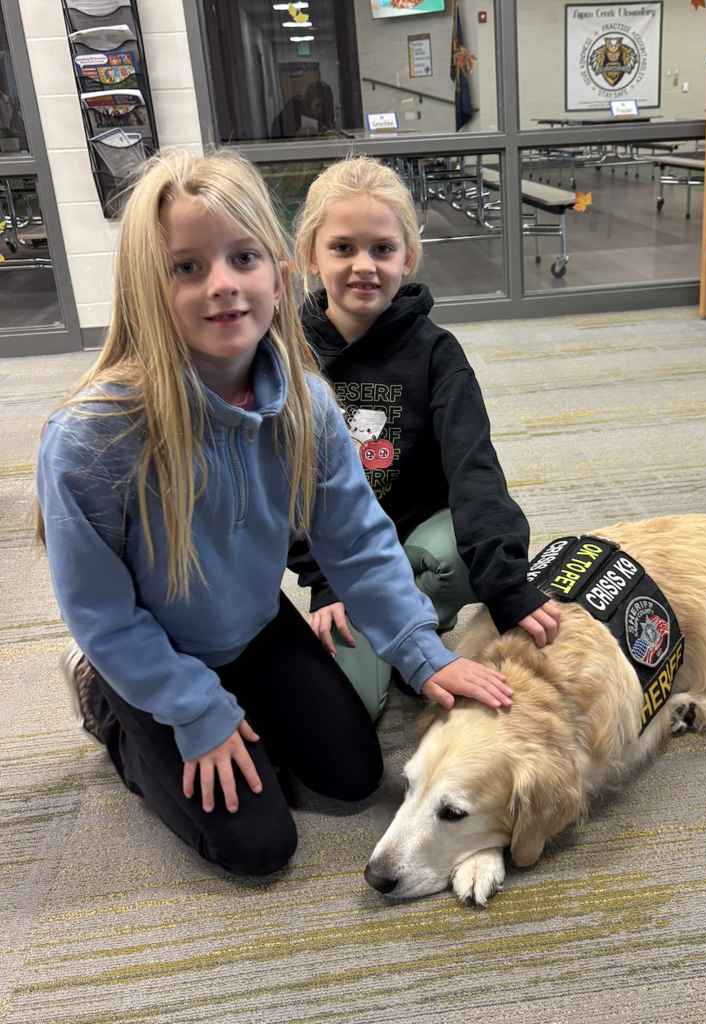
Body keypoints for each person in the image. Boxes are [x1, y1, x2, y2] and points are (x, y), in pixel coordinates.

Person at [35, 150, 512, 877]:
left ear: (279, 276)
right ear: (143, 288)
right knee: (258, 846)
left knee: (352, 780)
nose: (223, 285)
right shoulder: (90, 437)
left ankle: (228, 702)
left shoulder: (307, 403)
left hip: (254, 626)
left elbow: (356, 543)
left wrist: (423, 651)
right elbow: (99, 612)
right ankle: (107, 706)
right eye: (186, 267)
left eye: (243, 257)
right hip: (145, 646)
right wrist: (194, 711)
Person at [289, 156, 560, 720]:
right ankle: (386, 632)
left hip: (422, 545)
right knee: (354, 712)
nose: (364, 266)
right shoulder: (287, 358)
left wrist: (508, 586)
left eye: (382, 249)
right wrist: (324, 585)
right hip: (343, 557)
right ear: (311, 256)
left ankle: (421, 622)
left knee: (455, 553)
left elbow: (475, 468)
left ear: (407, 257)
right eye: (343, 248)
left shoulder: (437, 352)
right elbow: (283, 483)